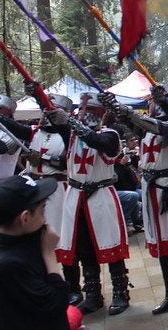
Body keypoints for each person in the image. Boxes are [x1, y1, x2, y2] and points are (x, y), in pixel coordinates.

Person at [101, 86, 168, 318]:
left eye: (158, 100)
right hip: (152, 190)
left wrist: (131, 114)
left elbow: (163, 128)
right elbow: (140, 127)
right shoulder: (147, 126)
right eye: (151, 101)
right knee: (162, 245)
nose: (153, 104)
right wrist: (116, 108)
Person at [45, 92, 131, 316]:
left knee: (110, 244)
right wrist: (38, 95)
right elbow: (54, 117)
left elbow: (98, 142)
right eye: (82, 110)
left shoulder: (110, 135)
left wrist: (72, 122)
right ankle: (93, 295)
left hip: (100, 196)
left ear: (101, 114)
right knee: (83, 249)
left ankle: (121, 292)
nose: (84, 115)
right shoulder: (71, 135)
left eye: (90, 111)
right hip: (76, 197)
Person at [0, 88, 82, 305]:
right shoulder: (34, 131)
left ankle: (73, 288)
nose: (46, 115)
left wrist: (44, 157)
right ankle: (41, 283)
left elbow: (65, 161)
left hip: (58, 189)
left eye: (50, 111)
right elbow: (12, 127)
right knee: (34, 240)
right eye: (44, 111)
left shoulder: (69, 135)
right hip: (35, 193)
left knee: (62, 239)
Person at [0, 175, 70, 329]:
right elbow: (56, 303)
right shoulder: (8, 265)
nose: (45, 219)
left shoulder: (27, 239)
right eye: (42, 211)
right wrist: (49, 254)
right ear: (25, 218)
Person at [114, 134, 143, 236]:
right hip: (115, 190)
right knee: (133, 196)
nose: (134, 142)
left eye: (135, 139)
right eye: (132, 140)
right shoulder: (113, 161)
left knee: (144, 194)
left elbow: (134, 179)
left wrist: (130, 163)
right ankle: (125, 223)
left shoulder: (128, 156)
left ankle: (139, 222)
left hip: (130, 187)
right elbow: (116, 180)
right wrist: (121, 165)